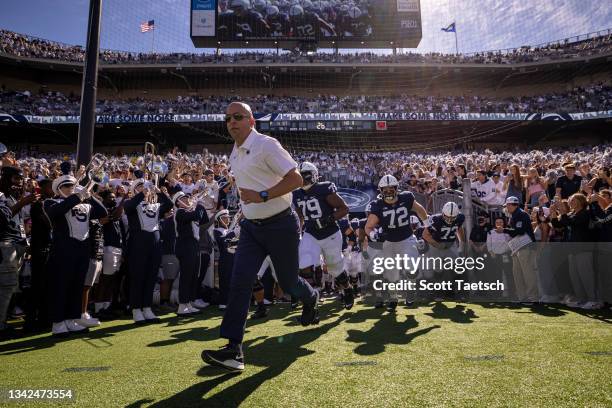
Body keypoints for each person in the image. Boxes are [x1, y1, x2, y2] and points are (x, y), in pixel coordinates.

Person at [201, 102, 319, 372]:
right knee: (239, 281)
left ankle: (310, 297)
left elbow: (296, 179)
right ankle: (233, 349)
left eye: (238, 117)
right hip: (252, 228)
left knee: (289, 283)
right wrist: (242, 217)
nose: (232, 121)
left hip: (281, 225)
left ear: (251, 120)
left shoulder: (266, 144)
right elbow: (247, 193)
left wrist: (263, 195)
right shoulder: (235, 152)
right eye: (228, 118)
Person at [44, 171, 106, 336]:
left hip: (82, 250)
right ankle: (58, 323)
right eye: (67, 186)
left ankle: (71, 319)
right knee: (61, 287)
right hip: (63, 251)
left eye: (73, 185)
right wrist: (77, 196)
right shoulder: (51, 202)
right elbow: (57, 212)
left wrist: (89, 195)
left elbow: (103, 213)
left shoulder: (84, 204)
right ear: (59, 189)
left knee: (76, 286)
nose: (71, 188)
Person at [364, 174, 428, 311]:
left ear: (396, 189)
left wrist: (427, 224)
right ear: (380, 191)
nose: (388, 192)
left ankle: (410, 290)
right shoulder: (377, 205)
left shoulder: (406, 197)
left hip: (406, 238)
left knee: (411, 267)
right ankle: (393, 298)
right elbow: (368, 227)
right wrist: (374, 235)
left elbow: (419, 209)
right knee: (391, 274)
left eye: (390, 189)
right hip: (389, 242)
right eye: (385, 190)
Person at [293, 161, 351, 309]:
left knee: (334, 268)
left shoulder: (323, 188)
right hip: (311, 232)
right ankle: (312, 297)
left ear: (314, 175)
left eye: (305, 176)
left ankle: (348, 288)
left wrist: (329, 219)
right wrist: (298, 231)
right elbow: (300, 216)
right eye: (300, 177)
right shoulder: (296, 193)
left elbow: (344, 208)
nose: (303, 180)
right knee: (304, 262)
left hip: (330, 233)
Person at [123, 178, 173, 324]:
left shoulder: (155, 205)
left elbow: (169, 204)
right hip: (138, 246)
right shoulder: (131, 204)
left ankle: (147, 307)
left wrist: (159, 192)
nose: (144, 188)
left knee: (151, 277)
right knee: (138, 278)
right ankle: (136, 309)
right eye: (139, 186)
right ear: (134, 190)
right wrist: (141, 194)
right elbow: (128, 207)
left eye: (145, 187)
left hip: (155, 246)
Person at [0, 166, 37, 338]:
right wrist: (23, 203)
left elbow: (19, 222)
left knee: (13, 287)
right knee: (6, 287)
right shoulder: (2, 195)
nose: (20, 182)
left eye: (21, 178)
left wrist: (25, 241)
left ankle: (4, 320)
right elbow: (2, 218)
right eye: (15, 178)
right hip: (6, 245)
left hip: (18, 244)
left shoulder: (15, 197)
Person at [172, 191, 209, 315]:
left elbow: (204, 220)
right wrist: (197, 204)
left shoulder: (189, 211)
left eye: (187, 197)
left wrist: (200, 205)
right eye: (183, 198)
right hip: (185, 245)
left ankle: (188, 302)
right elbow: (197, 216)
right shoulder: (179, 212)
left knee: (193, 275)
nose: (187, 199)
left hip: (193, 244)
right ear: (178, 202)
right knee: (186, 276)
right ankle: (182, 305)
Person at [503, 196, 538, 304]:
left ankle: (533, 298)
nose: (506, 208)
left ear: (511, 205)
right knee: (517, 273)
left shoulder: (521, 214)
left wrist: (504, 230)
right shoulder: (514, 215)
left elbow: (520, 231)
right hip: (517, 247)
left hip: (525, 247)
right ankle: (522, 297)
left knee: (527, 273)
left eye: (507, 205)